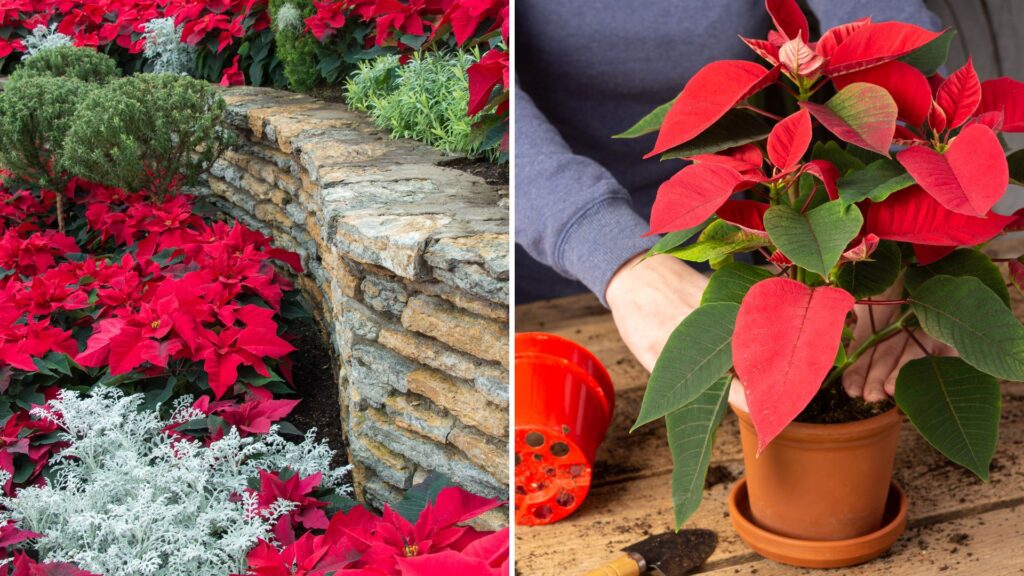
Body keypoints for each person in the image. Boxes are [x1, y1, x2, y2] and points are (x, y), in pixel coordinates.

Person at [516, 0, 950, 403]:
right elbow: (466, 91)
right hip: (534, 296)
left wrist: (907, 226)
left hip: (727, 261)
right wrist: (612, 252)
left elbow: (884, 25)